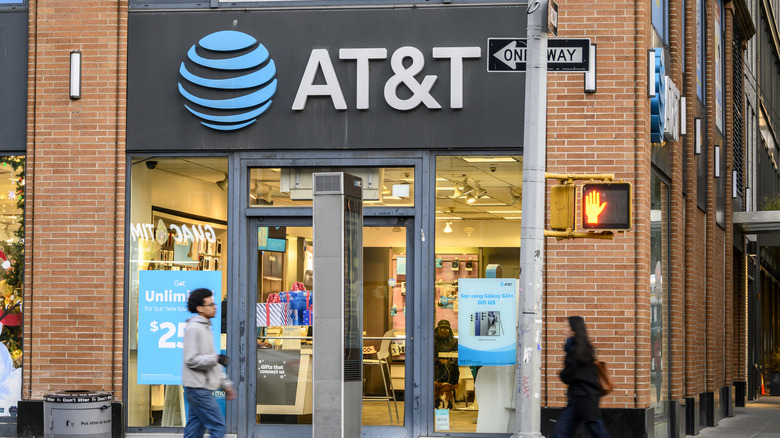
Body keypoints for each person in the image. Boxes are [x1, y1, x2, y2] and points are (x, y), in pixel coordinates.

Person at [182, 288, 237, 438]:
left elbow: (213, 361)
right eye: (210, 304)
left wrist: (225, 384)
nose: (215, 307)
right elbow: (191, 359)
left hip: (200, 387)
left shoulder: (206, 327)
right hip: (198, 387)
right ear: (200, 308)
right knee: (218, 426)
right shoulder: (195, 328)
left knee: (194, 430)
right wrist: (215, 359)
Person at [554, 316, 611, 438]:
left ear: (573, 330)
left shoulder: (574, 349)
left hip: (581, 397)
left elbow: (568, 376)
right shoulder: (585, 348)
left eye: (566, 326)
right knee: (564, 431)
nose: (563, 329)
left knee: (562, 431)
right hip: (585, 396)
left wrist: (561, 374)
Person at [433, 319, 459, 385]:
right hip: (436, 371)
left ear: (449, 330)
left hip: (452, 372)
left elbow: (459, 357)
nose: (444, 331)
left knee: (451, 393)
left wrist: (449, 362)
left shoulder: (455, 341)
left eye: (447, 329)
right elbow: (427, 357)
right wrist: (439, 360)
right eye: (442, 329)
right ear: (438, 329)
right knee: (436, 393)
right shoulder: (432, 341)